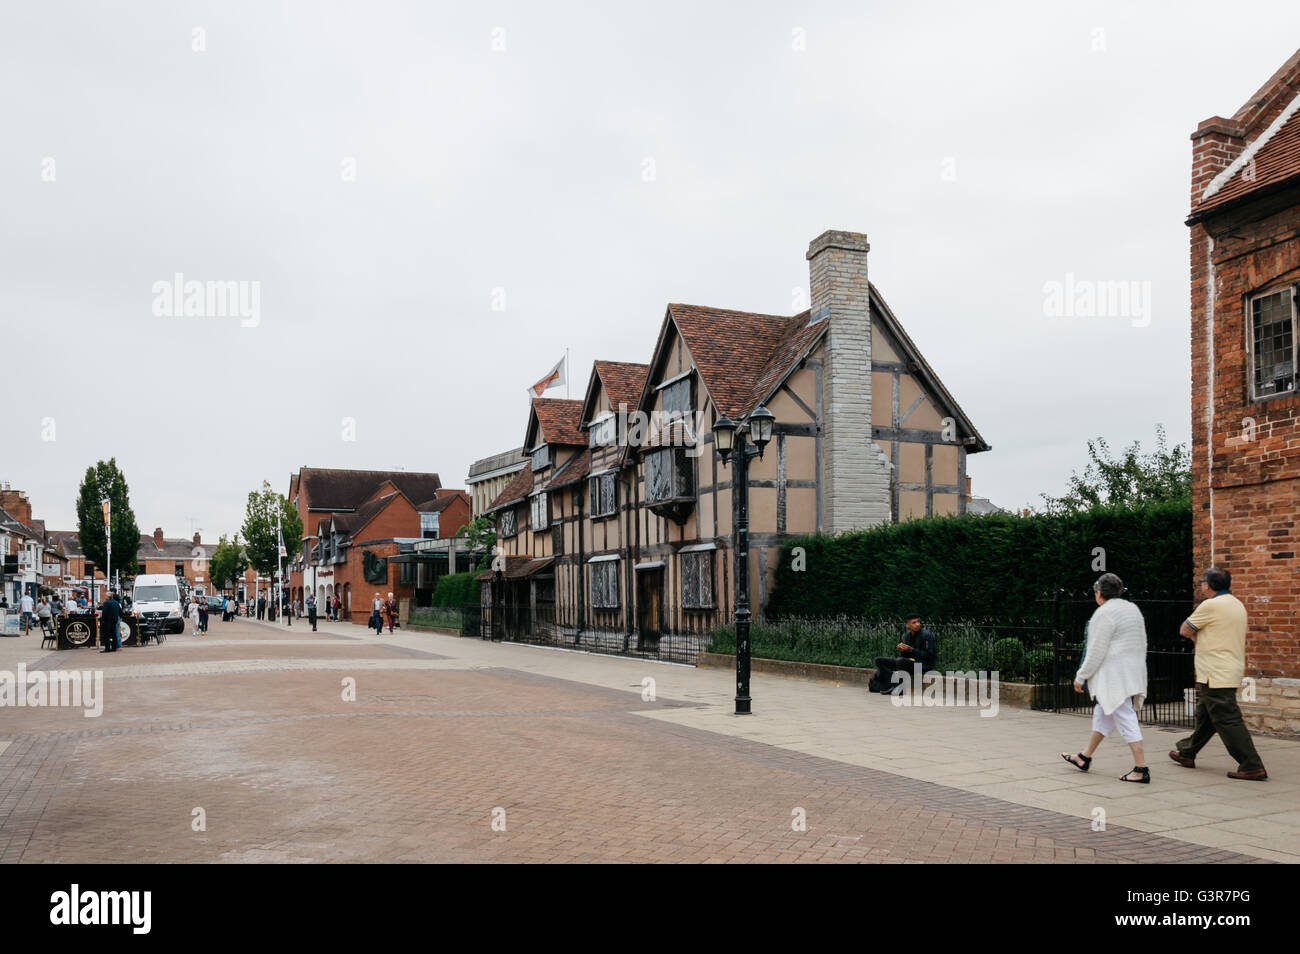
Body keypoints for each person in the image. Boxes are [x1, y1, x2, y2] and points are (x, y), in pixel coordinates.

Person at [1169, 567, 1269, 781]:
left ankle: (1251, 764)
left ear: (1208, 584)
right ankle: (1187, 752)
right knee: (1206, 715)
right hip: (1228, 669)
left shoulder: (1211, 605)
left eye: (1203, 583)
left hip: (1214, 671)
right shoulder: (1237, 604)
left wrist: (1198, 641)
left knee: (1227, 719)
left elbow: (1185, 629)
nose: (1201, 586)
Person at [1061, 573, 1150, 782]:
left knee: (1126, 717)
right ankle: (1084, 757)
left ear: (1099, 593)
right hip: (1133, 671)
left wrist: (1080, 676)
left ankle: (1141, 768)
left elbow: (1096, 650)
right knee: (1103, 713)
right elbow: (1141, 642)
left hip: (1114, 676)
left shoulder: (1103, 613)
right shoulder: (1132, 609)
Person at [869, 615, 937, 693]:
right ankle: (890, 684)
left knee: (900, 661)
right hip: (910, 663)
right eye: (914, 623)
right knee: (879, 660)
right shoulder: (908, 636)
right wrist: (903, 650)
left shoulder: (926, 635)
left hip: (923, 665)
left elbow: (930, 656)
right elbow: (905, 656)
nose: (917, 624)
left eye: (918, 622)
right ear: (908, 625)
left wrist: (912, 650)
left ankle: (899, 688)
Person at [98, 588, 123, 653]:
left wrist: (102, 620)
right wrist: (120, 617)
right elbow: (120, 612)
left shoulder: (106, 603)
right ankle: (114, 647)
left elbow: (105, 612)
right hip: (114, 620)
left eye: (105, 596)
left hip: (107, 621)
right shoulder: (116, 603)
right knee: (114, 634)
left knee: (106, 635)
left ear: (107, 596)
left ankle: (107, 648)